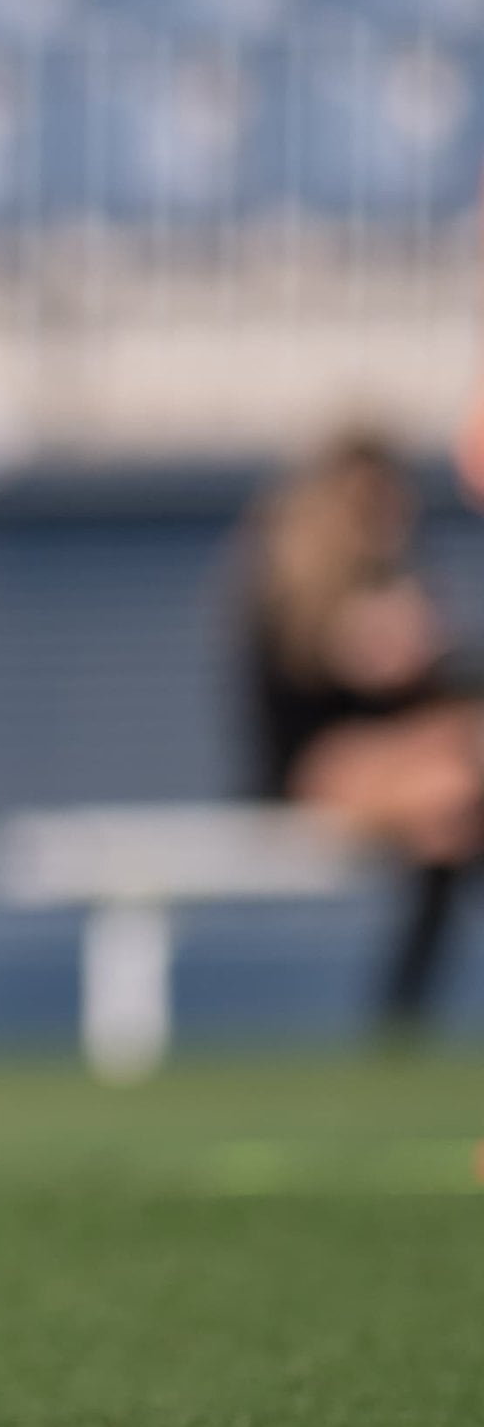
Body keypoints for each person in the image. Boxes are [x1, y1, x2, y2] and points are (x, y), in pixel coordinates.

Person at [242, 432, 481, 1037]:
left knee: (449, 810)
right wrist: (357, 654)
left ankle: (400, 1020)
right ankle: (399, 1017)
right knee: (450, 796)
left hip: (406, 774)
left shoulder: (403, 583)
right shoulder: (289, 587)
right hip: (311, 772)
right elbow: (295, 712)